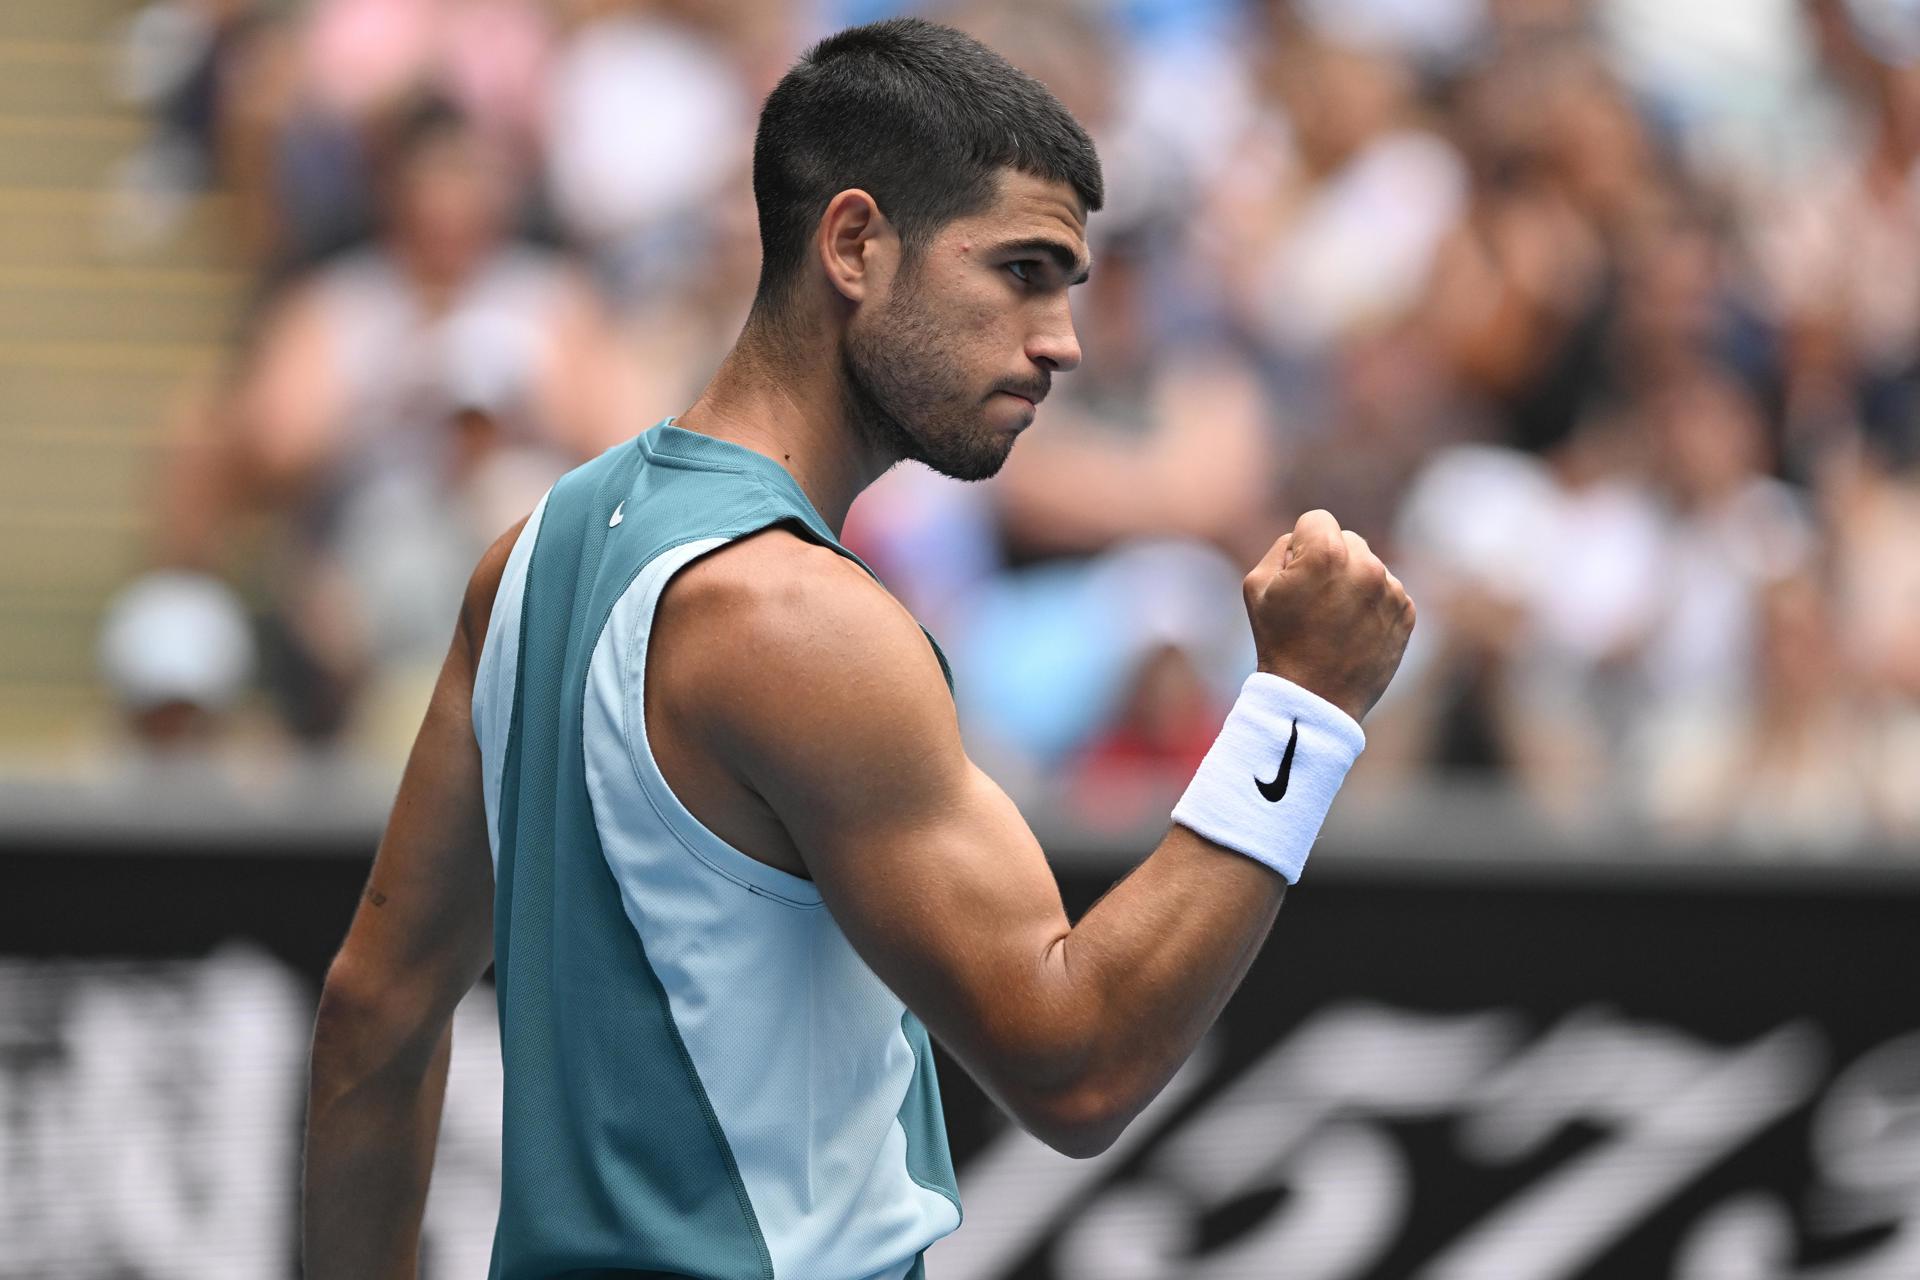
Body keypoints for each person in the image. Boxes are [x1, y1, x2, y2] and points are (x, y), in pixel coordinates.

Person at [302, 18, 1414, 1280]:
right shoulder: (799, 618)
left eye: (1070, 283)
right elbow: (1081, 1059)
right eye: (1021, 271)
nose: (1062, 338)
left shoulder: (531, 555)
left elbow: (373, 1016)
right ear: (853, 244)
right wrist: (1301, 707)